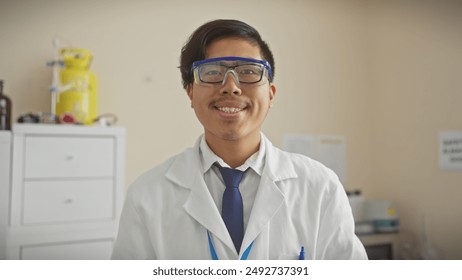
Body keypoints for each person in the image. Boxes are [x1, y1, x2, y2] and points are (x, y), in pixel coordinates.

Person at [111, 19, 367, 260]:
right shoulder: (147, 195)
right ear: (190, 92)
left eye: (248, 71)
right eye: (211, 72)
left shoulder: (320, 187)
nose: (230, 86)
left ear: (271, 94)